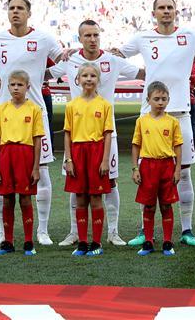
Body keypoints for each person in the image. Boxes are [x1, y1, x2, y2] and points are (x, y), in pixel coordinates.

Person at [116, 0, 195, 247]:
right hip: (149, 114)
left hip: (180, 112)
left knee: (183, 173)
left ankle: (187, 230)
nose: (166, 11)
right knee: (148, 173)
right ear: (154, 13)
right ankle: (144, 230)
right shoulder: (143, 38)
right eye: (161, 8)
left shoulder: (190, 36)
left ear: (176, 11)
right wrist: (139, 72)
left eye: (170, 7)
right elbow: (118, 55)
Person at [0, 0, 70, 246]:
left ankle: (42, 231)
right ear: (7, 12)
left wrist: (46, 75)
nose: (15, 12)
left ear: (29, 13)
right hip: (6, 114)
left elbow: (65, 60)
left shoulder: (43, 38)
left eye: (20, 8)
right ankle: (1, 231)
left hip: (36, 113)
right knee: (3, 176)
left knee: (41, 170)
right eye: (11, 8)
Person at [50, 20, 144, 247]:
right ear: (79, 38)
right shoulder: (70, 59)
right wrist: (59, 54)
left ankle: (113, 232)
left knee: (110, 181)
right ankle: (75, 232)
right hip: (78, 134)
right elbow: (44, 74)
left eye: (96, 35)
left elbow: (142, 72)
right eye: (88, 35)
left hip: (105, 134)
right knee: (76, 184)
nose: (92, 39)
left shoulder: (112, 59)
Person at [0, 70, 45, 256]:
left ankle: (29, 242)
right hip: (6, 155)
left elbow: (38, 140)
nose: (16, 88)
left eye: (20, 85)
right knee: (6, 197)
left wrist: (36, 167)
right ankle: (8, 241)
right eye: (12, 84)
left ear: (28, 87)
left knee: (25, 197)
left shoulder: (34, 109)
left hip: (25, 154)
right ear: (8, 87)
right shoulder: (1, 109)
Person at [62, 63, 115, 257]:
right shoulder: (71, 105)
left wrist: (104, 160)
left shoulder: (105, 105)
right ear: (78, 80)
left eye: (93, 75)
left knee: (96, 198)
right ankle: (83, 242)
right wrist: (68, 159)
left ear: (98, 80)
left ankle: (96, 242)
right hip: (77, 153)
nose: (89, 79)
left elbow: (107, 135)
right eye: (85, 75)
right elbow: (67, 134)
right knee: (80, 198)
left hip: (96, 152)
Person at [131, 81, 183, 256]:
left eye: (164, 99)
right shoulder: (142, 121)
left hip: (167, 165)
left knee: (166, 205)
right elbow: (136, 145)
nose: (160, 102)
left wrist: (177, 169)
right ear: (148, 100)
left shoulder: (173, 122)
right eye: (156, 99)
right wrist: (135, 168)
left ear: (168, 100)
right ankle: (148, 241)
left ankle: (168, 242)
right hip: (147, 166)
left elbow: (178, 146)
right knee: (149, 206)